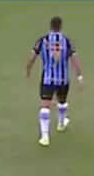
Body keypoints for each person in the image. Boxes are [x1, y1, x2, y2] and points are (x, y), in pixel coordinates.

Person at [24, 16, 83, 147]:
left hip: (47, 79)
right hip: (63, 79)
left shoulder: (43, 40)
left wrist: (27, 70)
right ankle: (61, 124)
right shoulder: (67, 41)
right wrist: (79, 76)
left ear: (50, 27)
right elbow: (75, 60)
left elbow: (32, 57)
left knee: (45, 106)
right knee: (62, 102)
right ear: (61, 27)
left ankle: (45, 136)